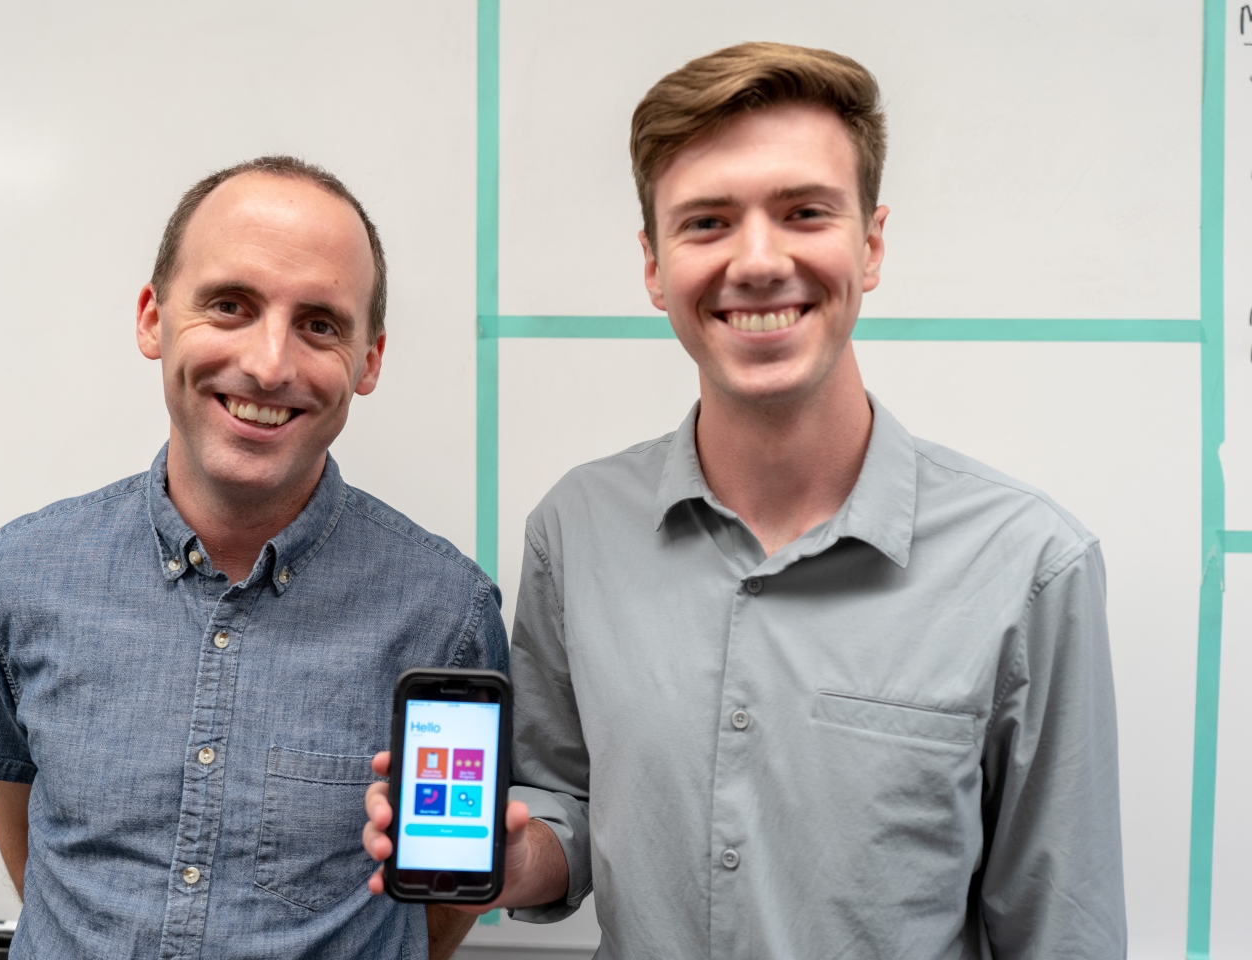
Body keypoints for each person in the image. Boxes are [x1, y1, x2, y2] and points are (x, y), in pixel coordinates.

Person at [364, 42, 1126, 958]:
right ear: (653, 265)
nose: (759, 262)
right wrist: (515, 855)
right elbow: (564, 814)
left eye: (805, 212)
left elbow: (1061, 931)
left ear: (871, 243)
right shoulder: (575, 530)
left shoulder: (1032, 568)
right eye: (707, 223)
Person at [0, 155, 507, 959]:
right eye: (230, 305)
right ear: (152, 319)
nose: (270, 364)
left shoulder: (448, 615)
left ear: (368, 359)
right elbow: (25, 831)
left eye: (320, 324)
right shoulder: (18, 577)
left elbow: (439, 907)